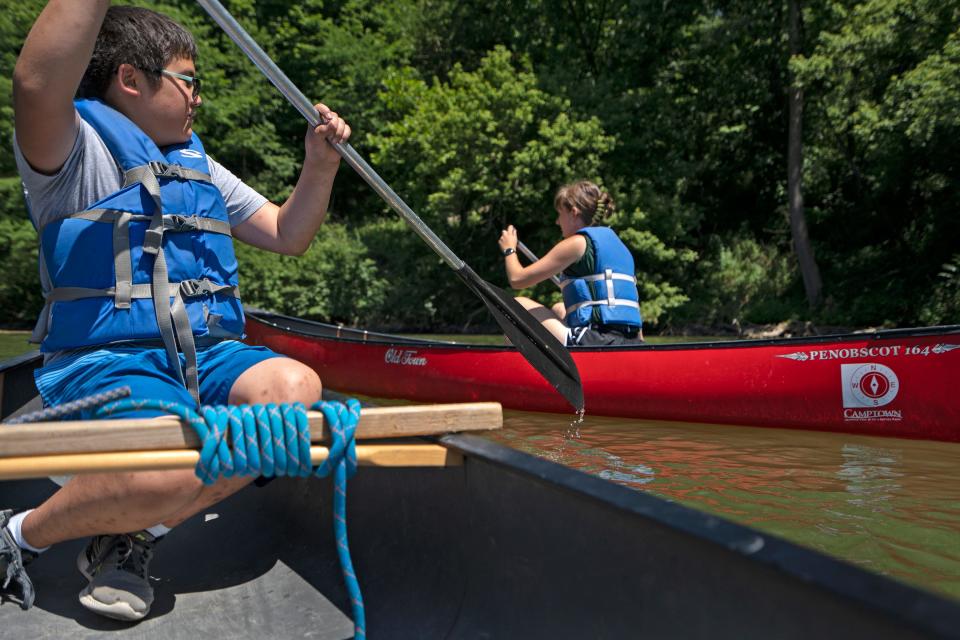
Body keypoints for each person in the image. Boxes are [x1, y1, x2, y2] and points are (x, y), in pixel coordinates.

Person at [0, 2, 350, 622]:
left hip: (205, 356)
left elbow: (286, 232)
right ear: (132, 80)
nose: (197, 97)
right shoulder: (72, 152)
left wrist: (319, 166)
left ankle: (132, 533)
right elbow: (33, 82)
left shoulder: (197, 162)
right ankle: (20, 533)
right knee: (167, 460)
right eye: (189, 80)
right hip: (107, 362)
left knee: (294, 388)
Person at [498, 180, 644, 346]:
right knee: (559, 308)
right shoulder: (621, 247)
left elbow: (517, 279)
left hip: (597, 340)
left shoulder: (577, 243)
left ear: (574, 213)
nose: (557, 222)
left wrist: (509, 249)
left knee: (517, 305)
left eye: (560, 214)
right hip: (631, 341)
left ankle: (520, 368)